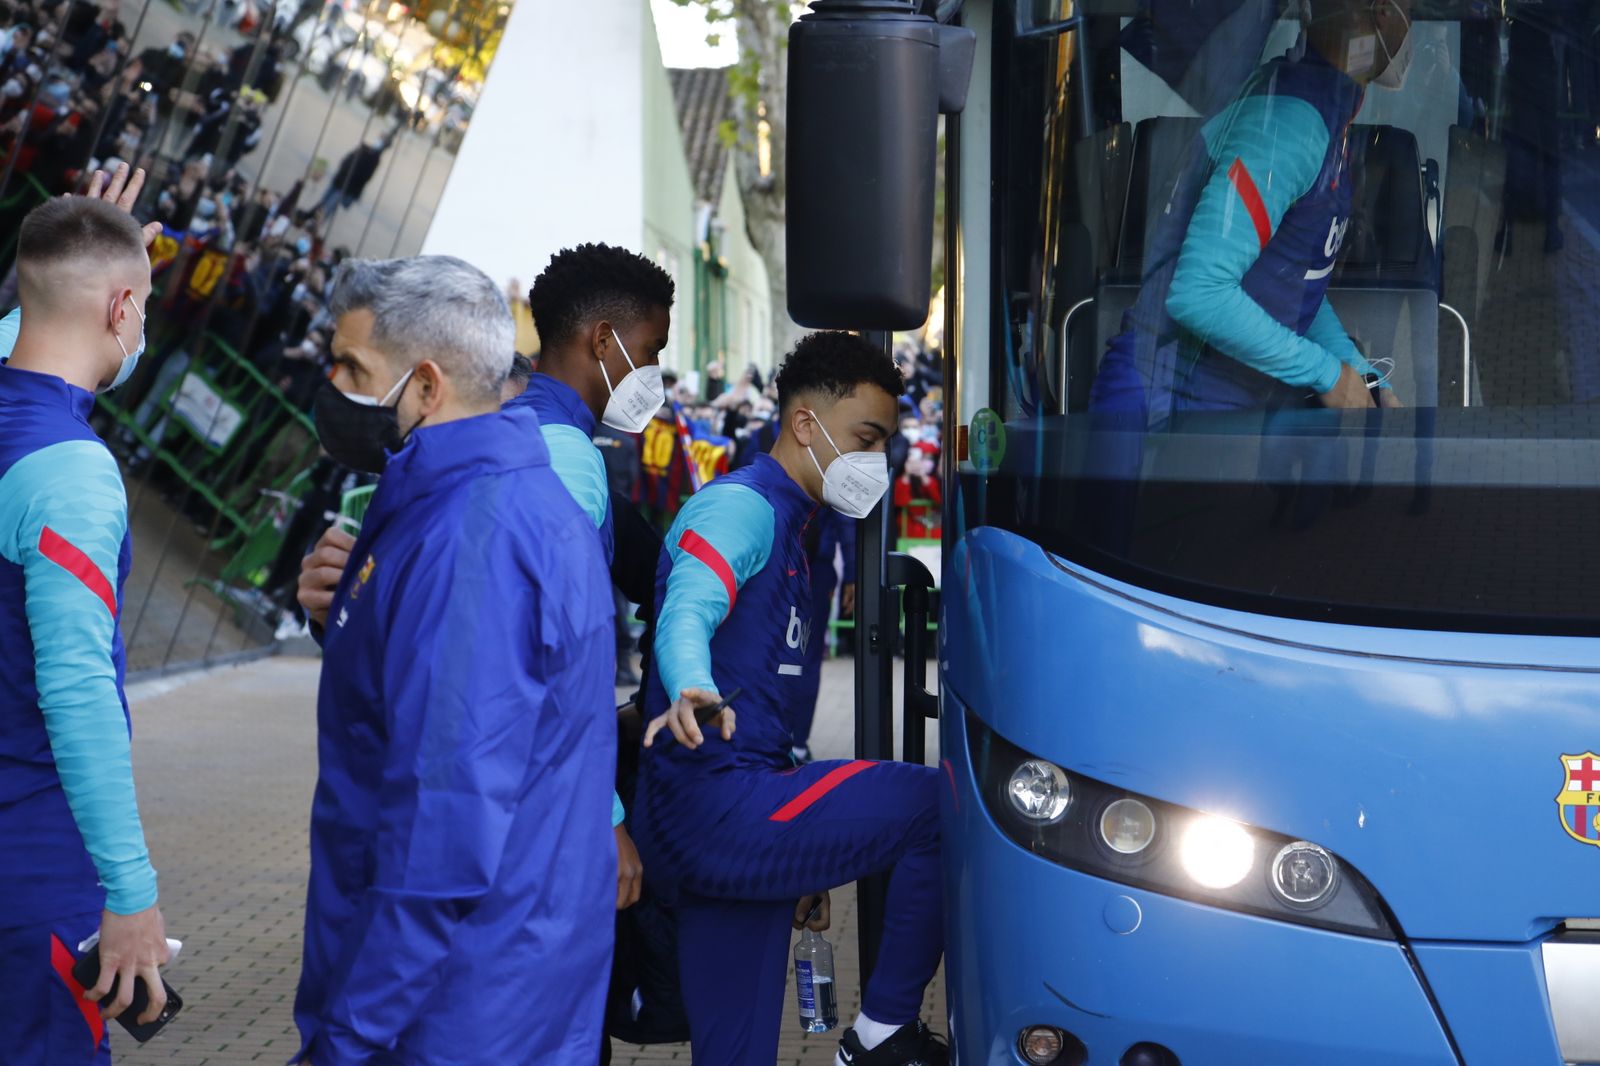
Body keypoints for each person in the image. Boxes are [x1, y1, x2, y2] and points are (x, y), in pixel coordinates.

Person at [291, 256, 617, 1064]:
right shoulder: (468, 501)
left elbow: (440, 838)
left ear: (427, 386)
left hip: (454, 1010)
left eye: (354, 369)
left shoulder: (475, 539)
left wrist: (346, 1043)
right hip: (488, 986)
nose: (332, 384)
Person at [632, 331, 946, 1066]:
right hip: (722, 804)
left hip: (715, 818)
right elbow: (688, 609)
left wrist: (800, 854)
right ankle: (880, 1035)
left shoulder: (797, 524)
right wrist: (691, 687)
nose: (876, 461)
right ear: (805, 424)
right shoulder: (743, 507)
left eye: (884, 443)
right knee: (937, 805)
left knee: (733, 1055)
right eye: (864, 438)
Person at [0, 172, 172, 1064]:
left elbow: (26, 325)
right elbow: (77, 690)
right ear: (118, 310)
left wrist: (79, 239)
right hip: (27, 850)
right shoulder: (70, 471)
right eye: (142, 309)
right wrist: (130, 891)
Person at [1090, 0, 1410, 418]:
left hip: (1220, 412)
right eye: (1410, 6)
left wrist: (1363, 376)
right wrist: (1327, 374)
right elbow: (1198, 294)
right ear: (1379, 12)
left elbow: (1292, 288)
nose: (1412, 21)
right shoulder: (1289, 124)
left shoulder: (1323, 108)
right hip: (1159, 414)